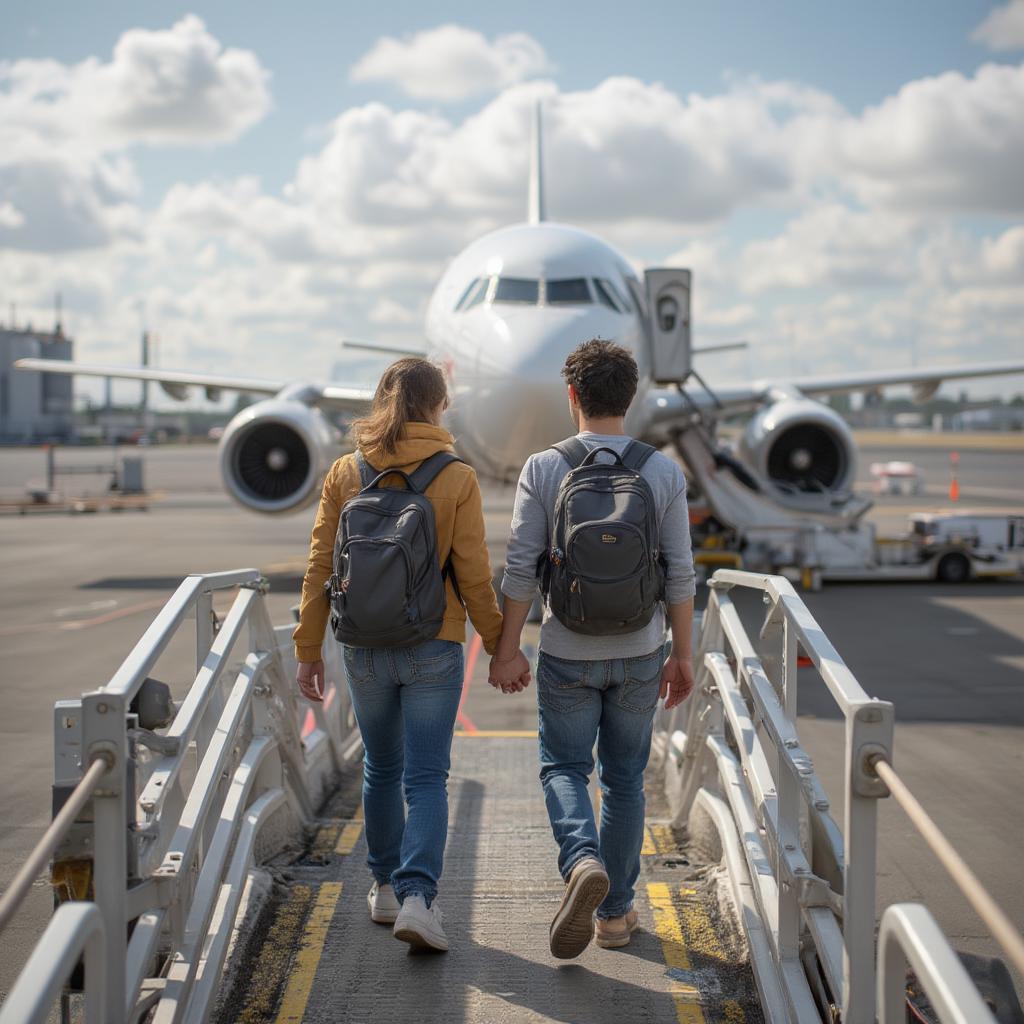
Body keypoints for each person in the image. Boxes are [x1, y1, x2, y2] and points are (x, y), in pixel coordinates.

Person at [293, 357, 513, 953]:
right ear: (439, 405)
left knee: (380, 769)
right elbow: (474, 575)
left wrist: (308, 649)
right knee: (425, 777)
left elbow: (320, 569)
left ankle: (385, 888)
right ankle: (419, 897)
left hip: (361, 646)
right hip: (433, 645)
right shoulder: (456, 476)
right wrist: (500, 648)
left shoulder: (345, 471)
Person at [489, 339, 696, 958]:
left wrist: (506, 651)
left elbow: (521, 570)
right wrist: (681, 655)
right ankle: (614, 915)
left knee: (564, 769)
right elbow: (681, 573)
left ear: (571, 395)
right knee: (627, 780)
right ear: (631, 399)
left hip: (566, 651)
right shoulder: (661, 471)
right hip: (639, 652)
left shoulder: (544, 468)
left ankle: (581, 859)